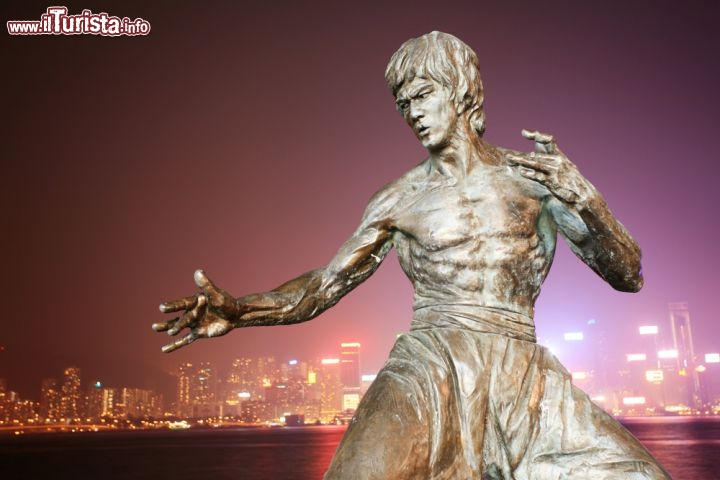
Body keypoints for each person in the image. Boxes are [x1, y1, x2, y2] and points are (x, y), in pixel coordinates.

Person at [153, 32, 670, 479]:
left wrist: (588, 199)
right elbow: (323, 286)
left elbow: (628, 275)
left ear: (461, 91)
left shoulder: (534, 182)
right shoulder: (398, 200)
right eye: (403, 105)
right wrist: (241, 311)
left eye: (422, 95)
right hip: (428, 368)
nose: (413, 113)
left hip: (524, 377)